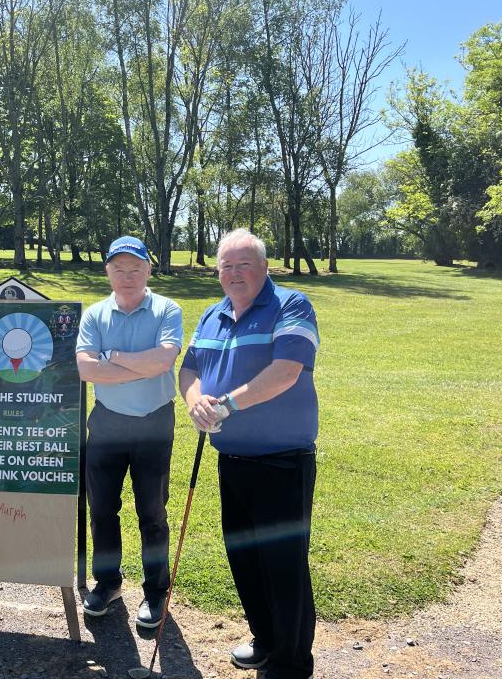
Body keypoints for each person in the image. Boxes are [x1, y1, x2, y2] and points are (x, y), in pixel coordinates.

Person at [179, 229, 320, 679]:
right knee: (245, 558)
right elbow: (188, 370)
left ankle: (290, 663)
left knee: (283, 565)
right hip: (232, 461)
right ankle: (265, 639)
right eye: (226, 266)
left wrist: (226, 405)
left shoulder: (292, 305)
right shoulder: (212, 314)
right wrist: (196, 402)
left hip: (282, 461)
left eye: (244, 264)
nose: (234, 273)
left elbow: (286, 372)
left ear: (264, 267)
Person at [75, 236, 183, 629]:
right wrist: (140, 365)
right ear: (108, 272)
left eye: (135, 268)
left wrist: (113, 358)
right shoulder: (94, 315)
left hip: (154, 422)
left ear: (148, 270)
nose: (127, 276)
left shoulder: (167, 309)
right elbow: (86, 369)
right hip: (107, 421)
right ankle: (108, 583)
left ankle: (156, 590)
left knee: (152, 511)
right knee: (102, 508)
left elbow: (163, 360)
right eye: (119, 269)